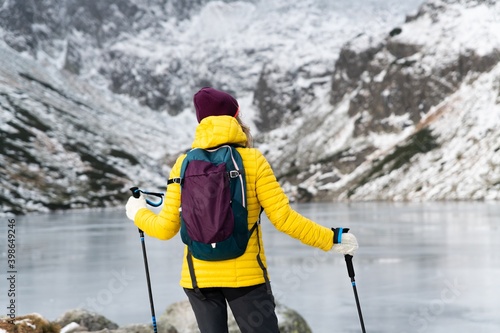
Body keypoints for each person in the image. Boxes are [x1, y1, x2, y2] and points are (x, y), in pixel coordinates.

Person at [125, 87, 359, 333]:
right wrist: (332, 239)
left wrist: (137, 212)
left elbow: (164, 229)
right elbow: (284, 219)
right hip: (247, 279)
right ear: (234, 119)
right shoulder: (253, 161)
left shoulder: (182, 165)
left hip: (198, 280)